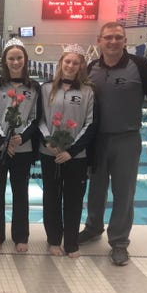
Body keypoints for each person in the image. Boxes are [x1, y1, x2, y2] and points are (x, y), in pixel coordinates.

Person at [78, 22, 147, 266]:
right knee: (95, 188)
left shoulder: (140, 66)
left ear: (125, 41)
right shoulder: (91, 67)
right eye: (109, 38)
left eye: (118, 37)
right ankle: (93, 227)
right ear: (99, 40)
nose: (113, 42)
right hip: (97, 140)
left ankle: (119, 241)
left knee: (124, 191)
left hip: (126, 138)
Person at [39, 44, 97, 258]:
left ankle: (71, 242)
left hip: (76, 156)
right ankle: (53, 239)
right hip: (50, 153)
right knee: (51, 197)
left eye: (75, 62)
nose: (71, 65)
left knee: (73, 199)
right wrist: (49, 141)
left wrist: (72, 150)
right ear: (61, 63)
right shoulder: (46, 89)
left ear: (81, 65)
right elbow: (40, 119)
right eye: (67, 61)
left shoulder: (87, 91)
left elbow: (90, 124)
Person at [0, 38, 41, 252]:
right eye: (11, 58)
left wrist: (22, 138)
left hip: (22, 149)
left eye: (19, 58)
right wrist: (3, 141)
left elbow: (36, 118)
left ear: (25, 60)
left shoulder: (34, 87)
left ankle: (20, 236)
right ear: (5, 61)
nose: (16, 62)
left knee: (20, 192)